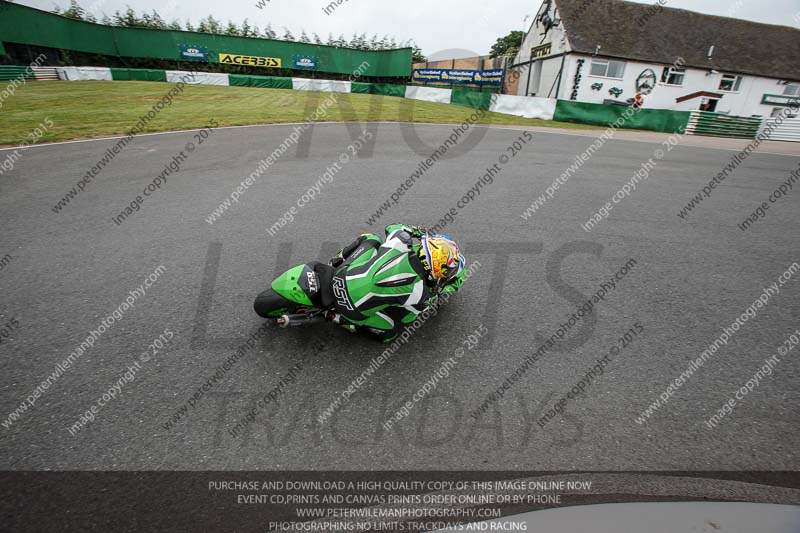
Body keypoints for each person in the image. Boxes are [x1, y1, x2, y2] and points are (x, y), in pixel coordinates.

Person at [325, 223, 466, 342]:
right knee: (391, 333)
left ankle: (336, 261)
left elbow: (391, 227)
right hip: (351, 310)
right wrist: (433, 298)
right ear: (434, 270)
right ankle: (337, 318)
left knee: (371, 238)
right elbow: (406, 318)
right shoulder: (420, 293)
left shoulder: (400, 242)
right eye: (446, 271)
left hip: (341, 275)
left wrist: (415, 231)